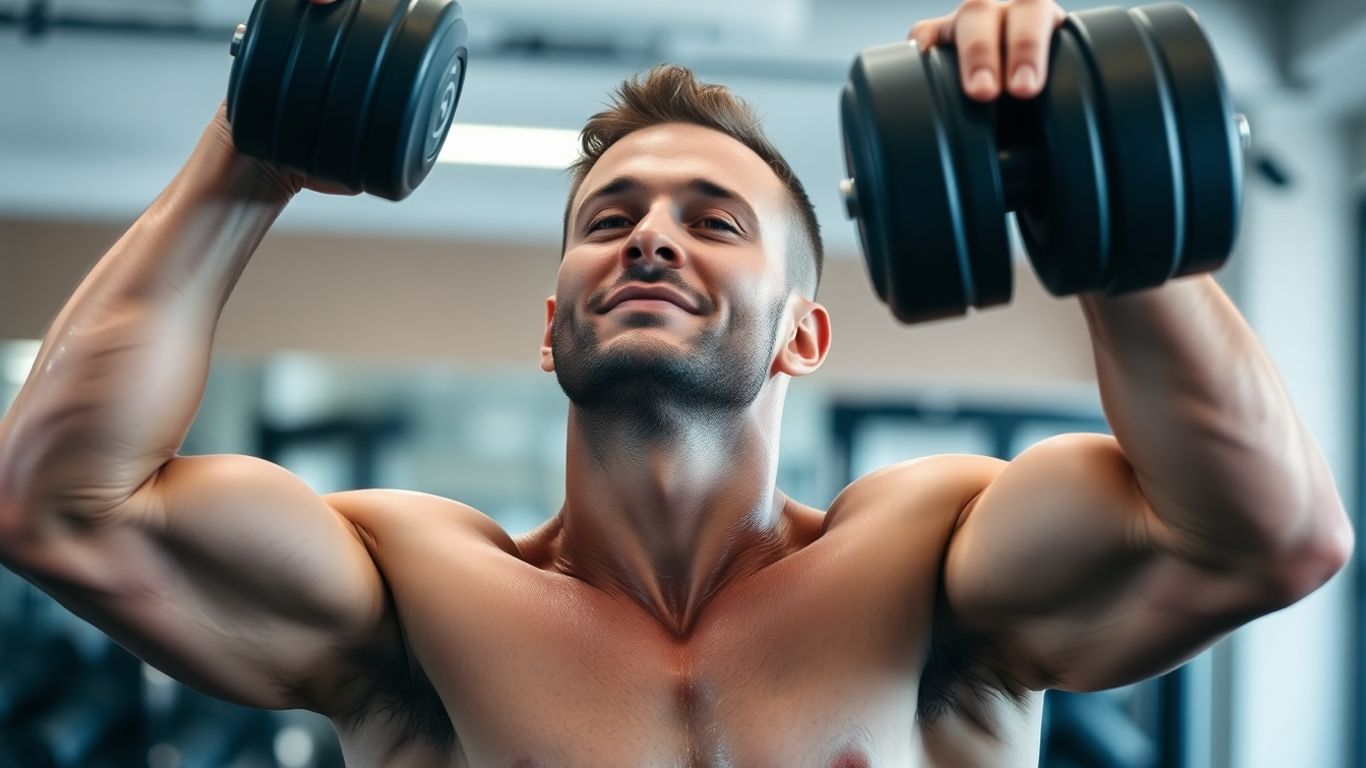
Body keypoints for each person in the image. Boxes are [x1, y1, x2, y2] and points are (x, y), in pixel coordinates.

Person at [0, 0, 1353, 765]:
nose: (648, 233)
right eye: (609, 218)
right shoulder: (419, 592)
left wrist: (1094, 213)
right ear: (551, 329)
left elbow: (1269, 535)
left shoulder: (930, 557)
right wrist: (252, 148)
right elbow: (61, 506)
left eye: (713, 221)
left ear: (801, 338)